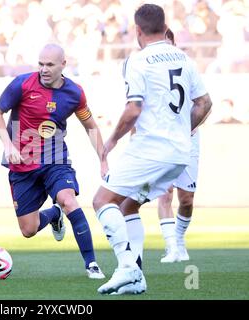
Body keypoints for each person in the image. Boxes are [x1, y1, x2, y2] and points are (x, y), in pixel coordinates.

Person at [92, 4, 212, 295]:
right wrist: (182, 131)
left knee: (101, 201)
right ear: (164, 26)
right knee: (128, 205)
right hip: (178, 155)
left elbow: (133, 108)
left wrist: (111, 141)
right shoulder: (184, 58)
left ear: (137, 30)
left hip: (150, 150)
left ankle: (126, 267)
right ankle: (137, 278)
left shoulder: (138, 60)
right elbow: (205, 103)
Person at [0, 43, 108, 279]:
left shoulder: (75, 93)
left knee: (69, 200)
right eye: (41, 64)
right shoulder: (22, 84)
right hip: (22, 163)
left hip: (55, 159)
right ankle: (54, 215)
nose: (44, 69)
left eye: (50, 65)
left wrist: (103, 160)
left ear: (63, 65)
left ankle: (92, 264)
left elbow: (91, 127)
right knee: (29, 229)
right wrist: (8, 145)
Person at [157, 28, 202, 263]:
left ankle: (180, 239)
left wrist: (187, 128)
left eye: (166, 43)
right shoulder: (146, 68)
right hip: (162, 140)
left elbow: (204, 102)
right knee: (164, 194)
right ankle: (171, 247)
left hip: (188, 139)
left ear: (173, 43)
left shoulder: (187, 65)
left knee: (186, 199)